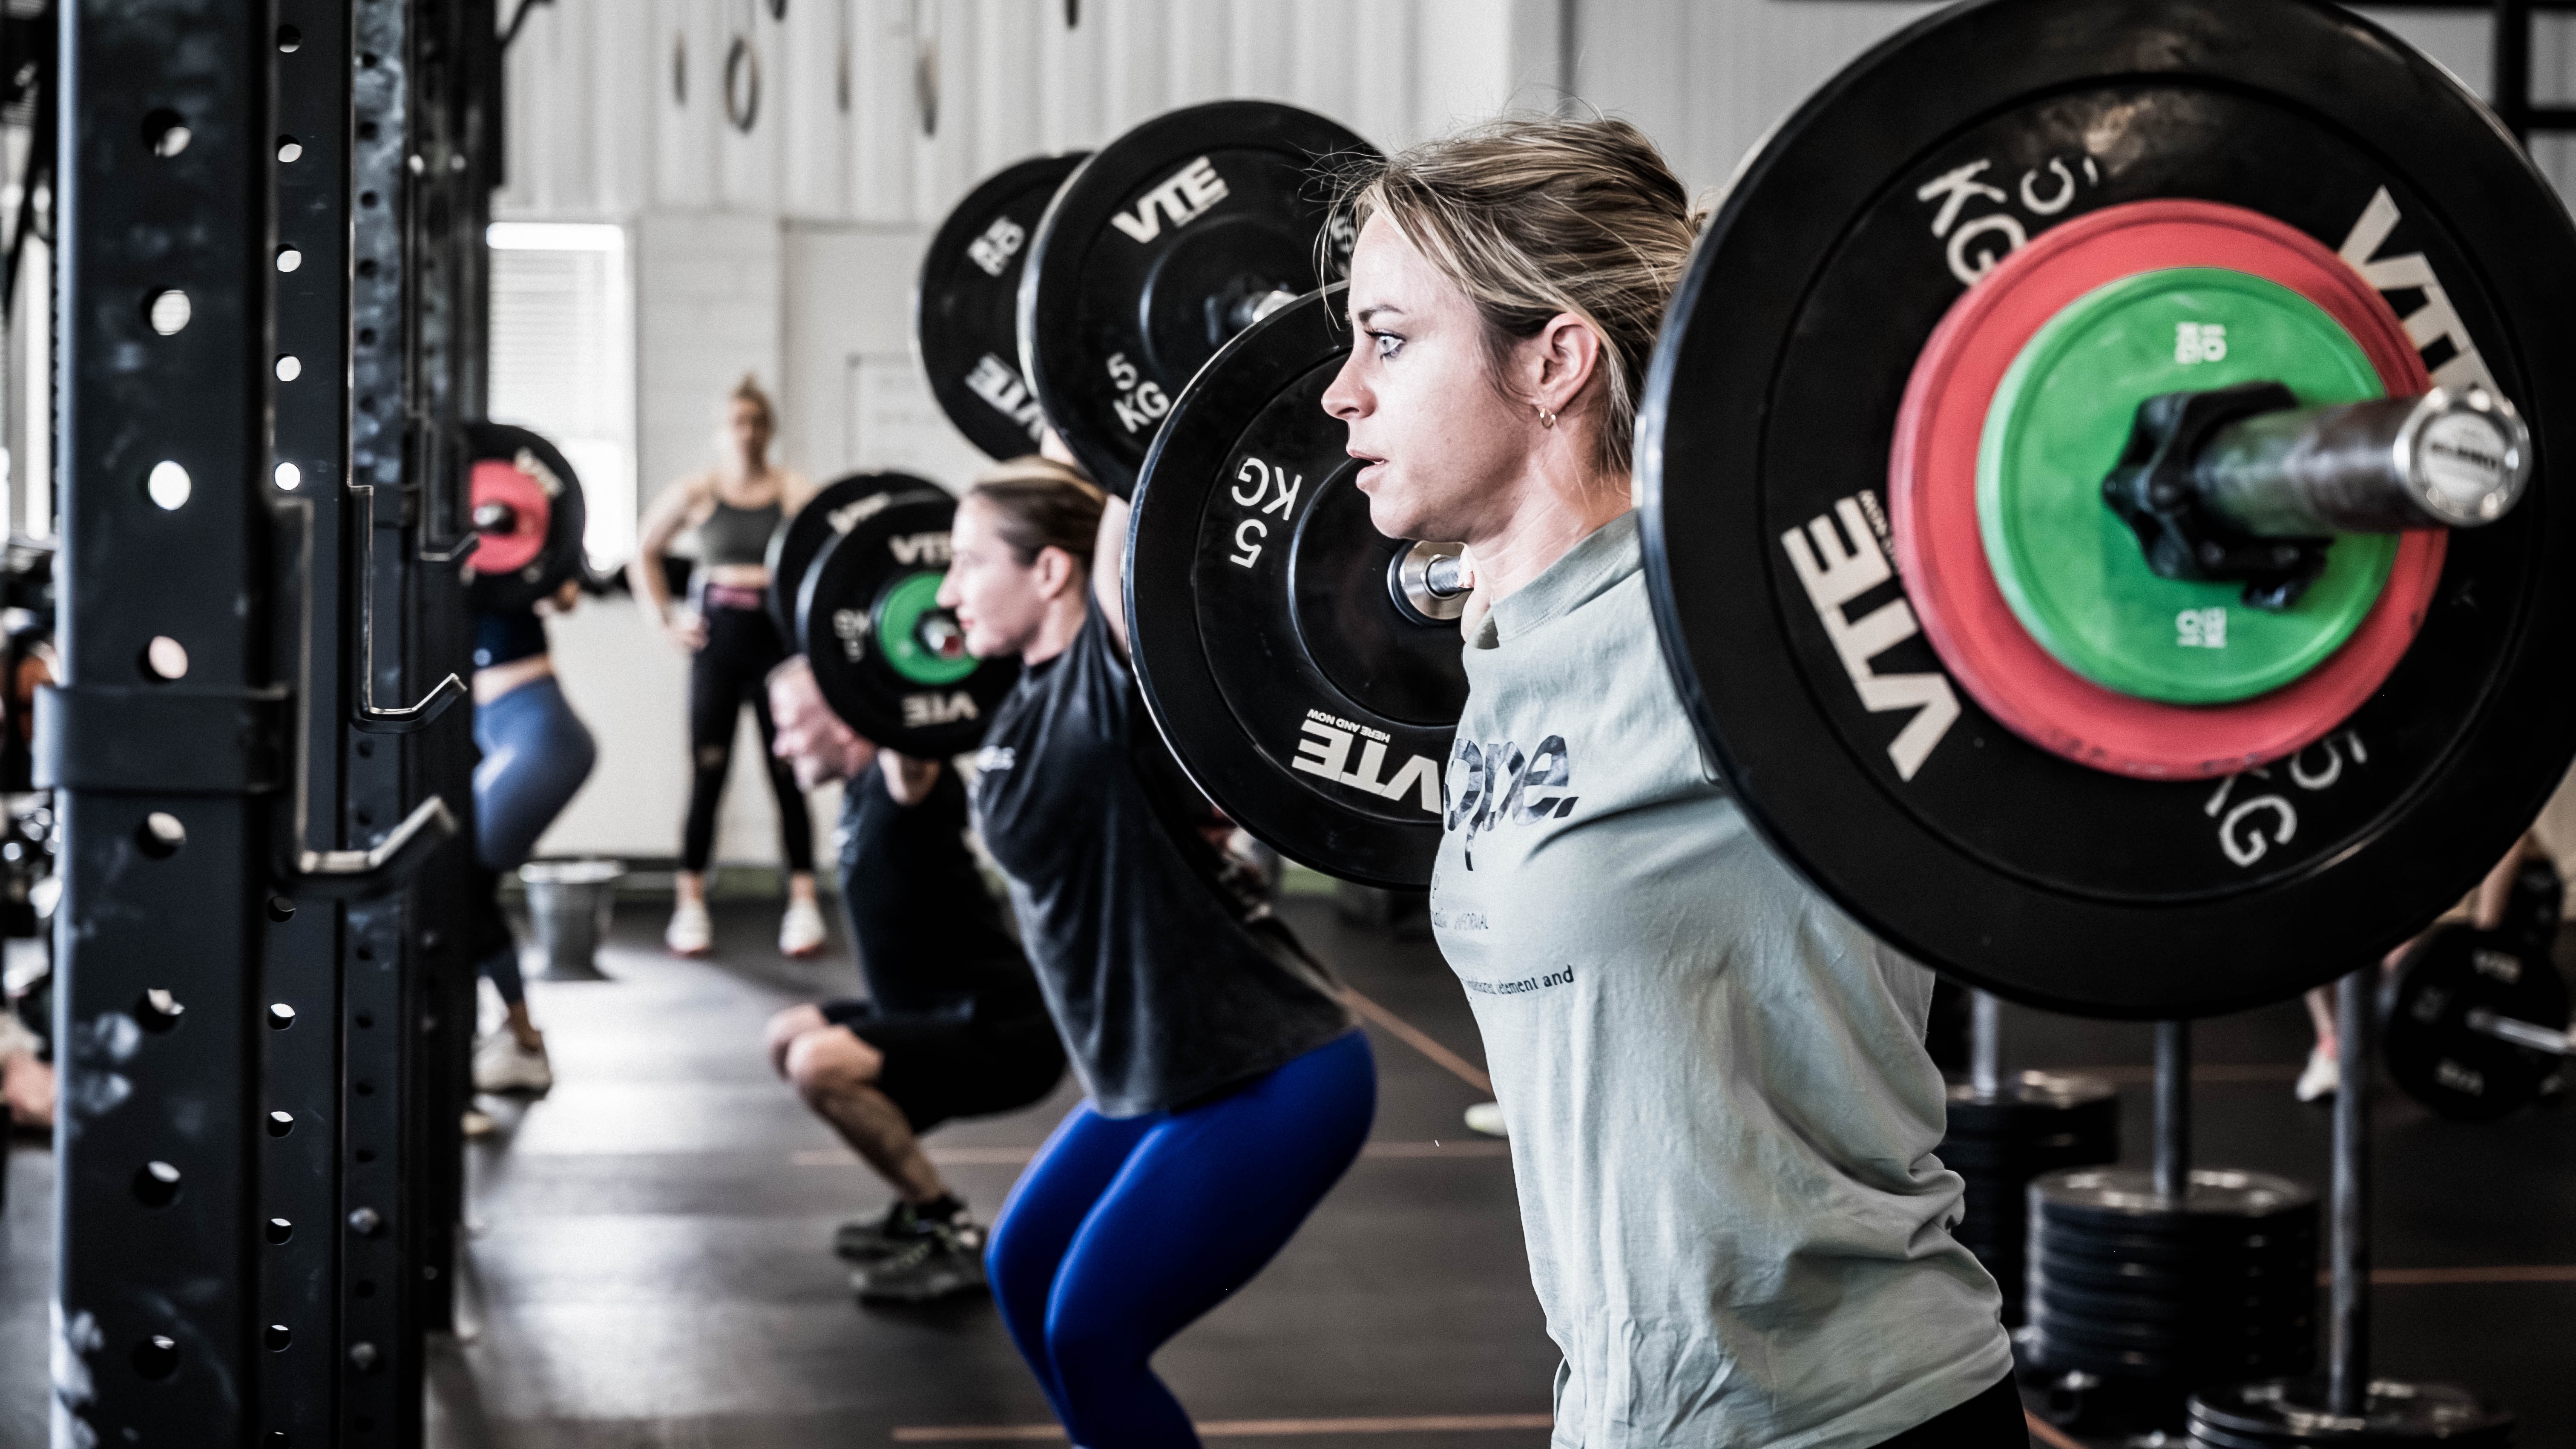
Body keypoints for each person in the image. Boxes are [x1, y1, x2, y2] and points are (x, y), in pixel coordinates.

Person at [1319, 117, 2020, 1447]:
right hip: (1627, 1411)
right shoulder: (1508, 642)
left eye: (1389, 340)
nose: (1340, 392)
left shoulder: (1739, 631)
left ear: (1555, 360)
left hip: (1843, 1413)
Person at [936, 454, 1377, 1448]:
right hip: (1157, 1075)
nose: (948, 590)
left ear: (1052, 571)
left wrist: (1107, 434)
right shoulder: (1023, 699)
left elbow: (1125, 499)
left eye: (968, 562)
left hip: (1272, 1069)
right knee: (1022, 1270)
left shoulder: (1110, 673)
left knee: (1091, 1332)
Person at [759, 653, 1067, 1304]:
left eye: (789, 725)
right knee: (788, 1036)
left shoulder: (904, 777)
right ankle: (912, 1206)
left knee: (820, 1063)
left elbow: (911, 738)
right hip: (925, 1013)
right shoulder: (856, 789)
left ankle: (947, 1225)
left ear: (845, 721)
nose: (781, 748)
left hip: (1003, 1029)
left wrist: (895, 667)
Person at [629, 374, 824, 960]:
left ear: (769, 430)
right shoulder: (698, 492)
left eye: (757, 423)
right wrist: (664, 619)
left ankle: (804, 904)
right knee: (708, 774)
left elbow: (830, 547)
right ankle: (690, 905)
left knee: (788, 775)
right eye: (738, 422)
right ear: (722, 430)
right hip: (718, 644)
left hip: (775, 643)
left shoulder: (792, 490)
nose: (748, 433)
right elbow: (644, 551)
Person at [466, 575, 600, 1098]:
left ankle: (524, 1045)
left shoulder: (507, 536)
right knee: (449, 883)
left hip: (536, 729)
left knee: (461, 884)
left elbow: (564, 591)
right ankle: (492, 1038)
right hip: (483, 723)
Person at [2296, 833, 2547, 1101]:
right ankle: (2331, 1044)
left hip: (2438, 882)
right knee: (2311, 930)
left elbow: (2509, 840)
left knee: (2408, 965)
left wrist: (2483, 941)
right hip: (2366, 874)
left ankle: (2528, 1053)